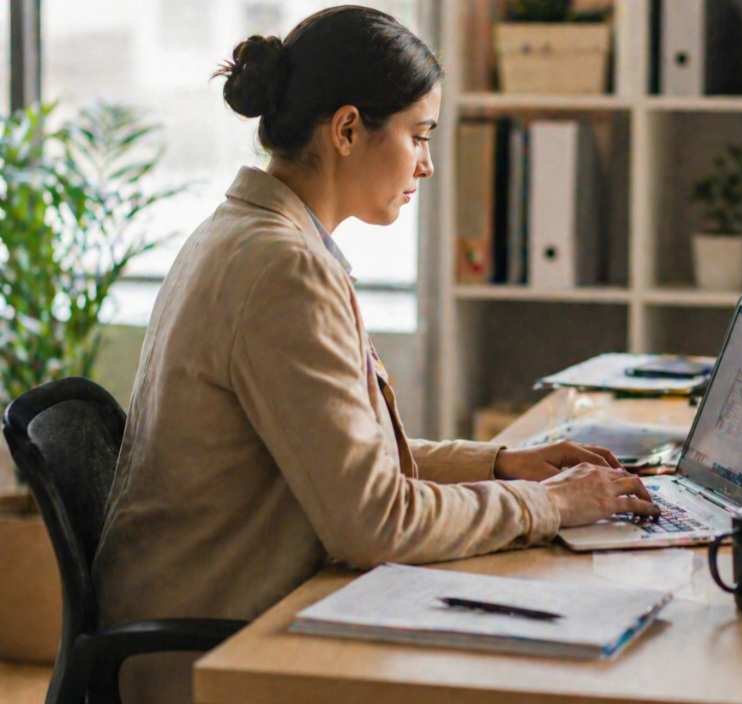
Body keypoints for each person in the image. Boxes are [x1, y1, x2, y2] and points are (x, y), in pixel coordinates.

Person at [91, 6, 659, 704]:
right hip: (213, 648)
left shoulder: (249, 233)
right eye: (419, 136)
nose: (426, 163)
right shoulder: (281, 268)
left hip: (211, 617)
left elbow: (337, 456)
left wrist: (497, 464)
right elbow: (373, 523)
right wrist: (545, 505)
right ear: (348, 129)